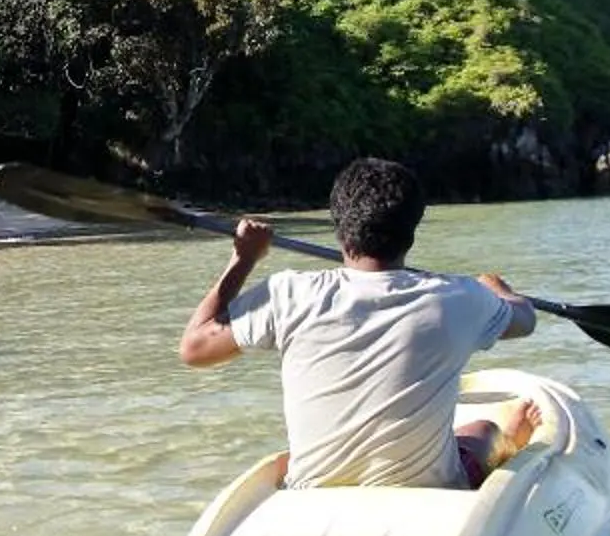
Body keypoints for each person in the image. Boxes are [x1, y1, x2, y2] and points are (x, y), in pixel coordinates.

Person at [178, 157, 540, 490]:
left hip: (314, 494)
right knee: (483, 430)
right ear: (412, 230)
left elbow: (194, 349)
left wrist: (243, 259)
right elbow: (525, 320)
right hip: (429, 495)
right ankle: (510, 437)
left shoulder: (288, 293)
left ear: (340, 227)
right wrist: (497, 289)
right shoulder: (463, 297)